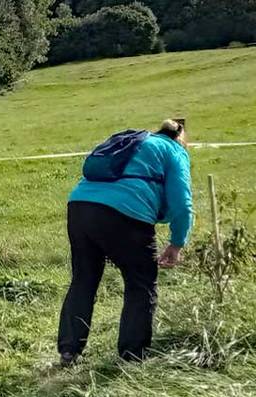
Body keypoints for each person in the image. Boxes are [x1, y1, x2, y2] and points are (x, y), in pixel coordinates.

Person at [58, 119, 193, 365]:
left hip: (80, 206)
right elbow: (182, 203)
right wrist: (176, 243)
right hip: (126, 214)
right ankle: (132, 356)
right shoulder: (174, 150)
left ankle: (69, 351)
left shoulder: (132, 143)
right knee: (140, 283)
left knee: (84, 279)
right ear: (180, 139)